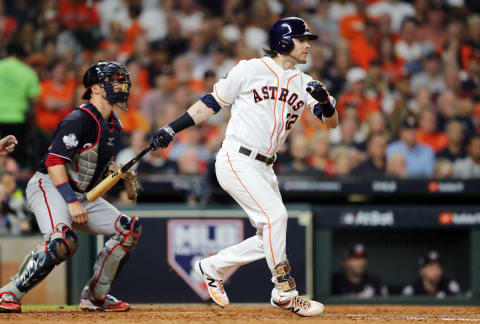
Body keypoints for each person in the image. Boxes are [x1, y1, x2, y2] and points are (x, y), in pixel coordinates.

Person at [149, 17, 337, 317]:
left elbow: (330, 123)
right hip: (237, 157)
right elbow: (212, 102)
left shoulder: (304, 82)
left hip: (265, 166)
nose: (306, 45)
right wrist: (172, 129)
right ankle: (285, 292)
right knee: (277, 216)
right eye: (301, 39)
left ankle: (211, 267)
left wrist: (326, 103)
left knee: (270, 237)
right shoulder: (251, 68)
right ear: (284, 42)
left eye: (307, 40)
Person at [0, 62, 142, 313]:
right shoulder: (78, 119)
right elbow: (55, 162)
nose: (122, 86)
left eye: (122, 80)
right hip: (50, 186)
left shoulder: (114, 124)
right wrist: (71, 201)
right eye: (114, 81)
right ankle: (8, 294)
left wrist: (113, 172)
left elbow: (90, 164)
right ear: (96, 89)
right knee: (61, 241)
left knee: (129, 229)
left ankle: (96, 296)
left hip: (81, 193)